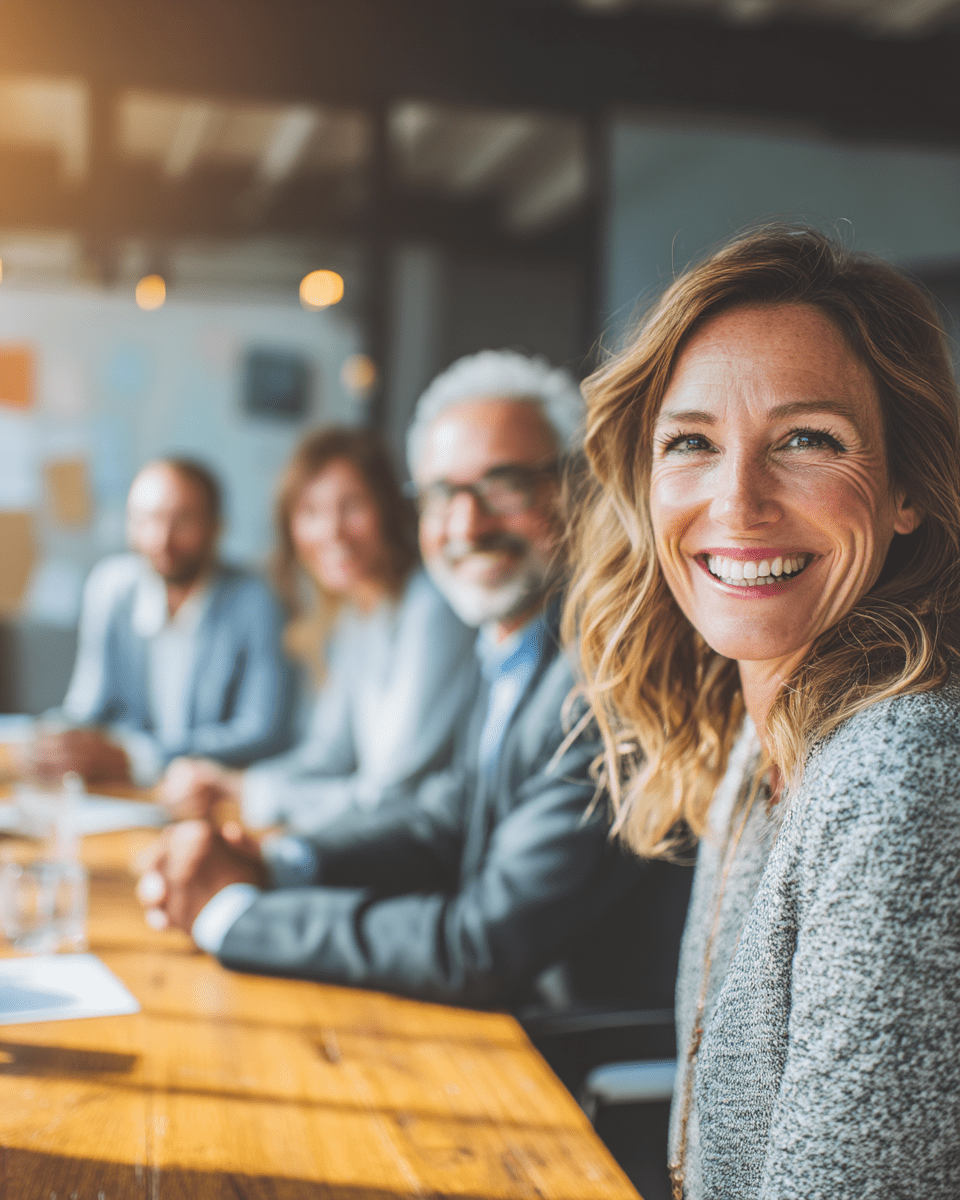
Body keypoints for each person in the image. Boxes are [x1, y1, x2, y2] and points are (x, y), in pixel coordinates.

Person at [566, 226, 960, 1198]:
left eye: (807, 441)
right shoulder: (763, 733)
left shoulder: (898, 773)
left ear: (908, 486)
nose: (737, 502)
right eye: (691, 443)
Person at [136, 350, 689, 1024]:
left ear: (580, 489)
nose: (466, 524)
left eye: (505, 487)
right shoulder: (514, 651)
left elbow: (481, 945)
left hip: (573, 1051)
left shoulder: (610, 678)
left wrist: (235, 917)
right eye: (441, 495)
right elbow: (443, 821)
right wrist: (276, 863)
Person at [160, 427, 479, 835]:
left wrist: (247, 791)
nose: (332, 532)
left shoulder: (431, 608)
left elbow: (392, 792)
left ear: (389, 509)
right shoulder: (358, 616)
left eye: (353, 506)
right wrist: (225, 781)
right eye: (310, 512)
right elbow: (329, 754)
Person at [46, 458, 294, 784]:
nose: (161, 539)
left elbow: (261, 732)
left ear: (216, 526)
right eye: (146, 520)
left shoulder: (256, 601)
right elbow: (88, 705)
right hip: (124, 792)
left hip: (212, 792)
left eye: (183, 520)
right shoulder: (111, 588)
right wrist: (57, 738)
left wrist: (141, 755)